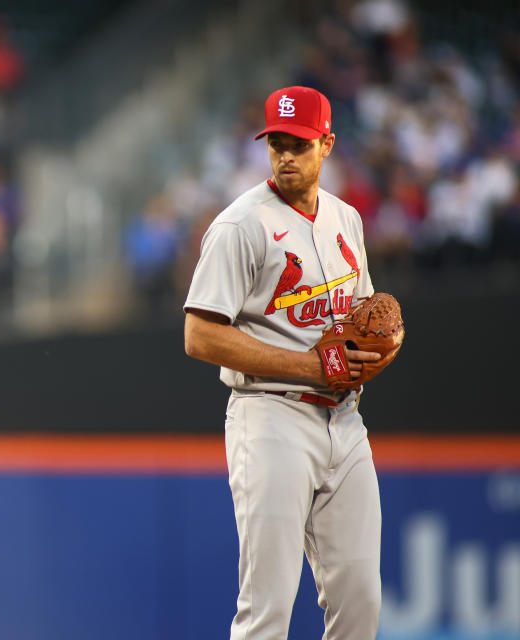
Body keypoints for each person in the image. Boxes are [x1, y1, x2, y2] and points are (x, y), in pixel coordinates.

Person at [183, 86, 382, 639]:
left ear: (327, 144)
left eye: (298, 143)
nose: (286, 155)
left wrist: (377, 344)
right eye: (276, 143)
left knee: (360, 602)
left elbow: (361, 313)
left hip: (345, 421)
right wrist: (309, 366)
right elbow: (198, 335)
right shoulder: (239, 225)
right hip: (271, 416)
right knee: (267, 609)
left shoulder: (346, 219)